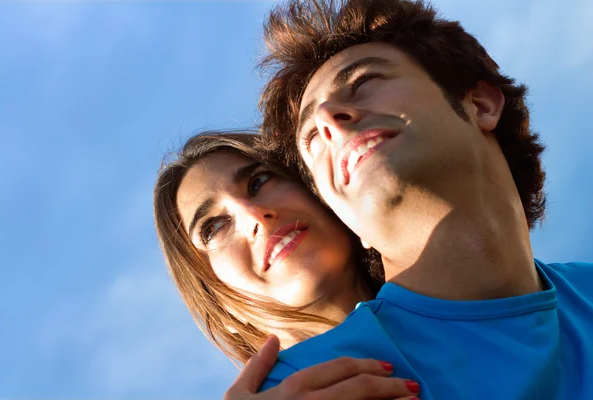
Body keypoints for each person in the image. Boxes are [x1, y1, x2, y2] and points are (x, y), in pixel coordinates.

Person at [252, 0, 593, 398]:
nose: (328, 120)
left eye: (364, 83)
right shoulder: (307, 383)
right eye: (311, 138)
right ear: (342, 213)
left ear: (481, 104)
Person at [153, 131, 422, 400]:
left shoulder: (455, 289)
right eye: (213, 228)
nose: (254, 216)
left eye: (258, 182)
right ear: (218, 303)